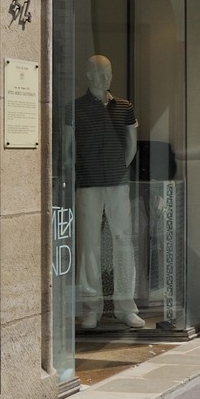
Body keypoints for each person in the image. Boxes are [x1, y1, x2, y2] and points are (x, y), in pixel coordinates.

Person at [66, 54, 144, 329]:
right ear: (88, 75)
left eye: (108, 72)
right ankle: (91, 308)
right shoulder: (74, 108)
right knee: (89, 245)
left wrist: (118, 167)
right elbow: (68, 148)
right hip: (87, 183)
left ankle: (126, 307)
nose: (104, 77)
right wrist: (79, 170)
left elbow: (131, 145)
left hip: (117, 182)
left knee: (123, 241)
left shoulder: (124, 107)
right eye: (99, 73)